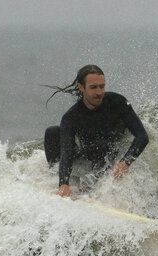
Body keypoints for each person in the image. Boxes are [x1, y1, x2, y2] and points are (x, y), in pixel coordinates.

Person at [44, 65, 150, 198]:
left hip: (112, 156)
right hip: (88, 156)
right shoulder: (71, 117)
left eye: (102, 86)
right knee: (52, 132)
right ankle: (57, 182)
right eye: (94, 87)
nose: (99, 92)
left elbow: (142, 136)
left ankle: (93, 190)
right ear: (81, 87)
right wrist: (63, 183)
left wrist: (125, 162)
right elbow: (67, 151)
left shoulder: (118, 102)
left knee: (103, 146)